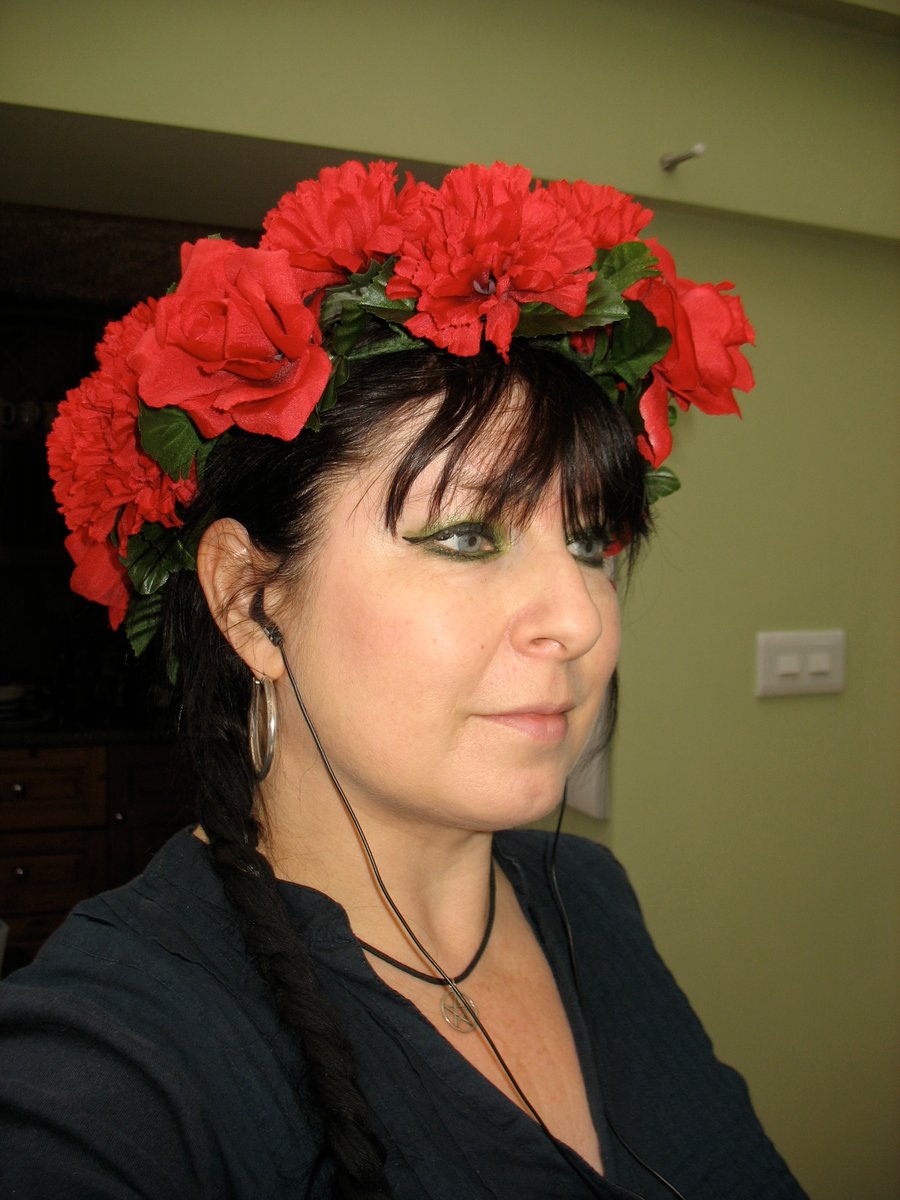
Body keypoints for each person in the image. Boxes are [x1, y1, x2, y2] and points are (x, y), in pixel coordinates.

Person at [0, 161, 807, 1199]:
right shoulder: (119, 1055)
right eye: (469, 535)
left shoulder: (588, 903)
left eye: (592, 544)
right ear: (250, 600)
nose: (578, 621)